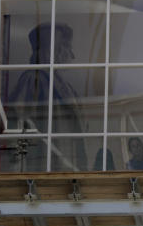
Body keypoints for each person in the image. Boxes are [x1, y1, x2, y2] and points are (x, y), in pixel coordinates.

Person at [5, 22, 89, 171]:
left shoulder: (68, 88)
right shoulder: (34, 79)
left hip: (69, 172)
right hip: (43, 169)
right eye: (67, 47)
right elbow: (16, 122)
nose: (72, 55)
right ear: (53, 50)